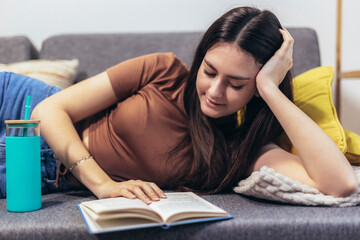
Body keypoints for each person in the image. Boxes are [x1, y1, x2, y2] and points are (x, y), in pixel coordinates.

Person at [0, 6, 358, 203]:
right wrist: (104, 185)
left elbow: (341, 184)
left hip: (37, 170)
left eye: (237, 84)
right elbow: (48, 111)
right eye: (210, 71)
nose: (216, 91)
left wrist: (271, 89)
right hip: (20, 103)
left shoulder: (242, 150)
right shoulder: (163, 70)